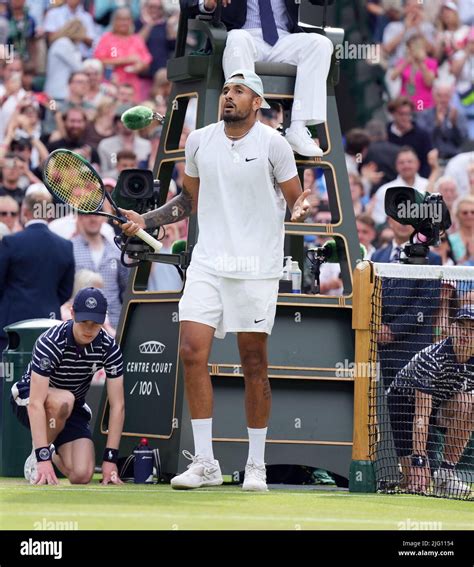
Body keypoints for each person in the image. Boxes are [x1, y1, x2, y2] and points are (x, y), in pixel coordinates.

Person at [119, 69, 311, 491]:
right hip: (208, 264)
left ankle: (255, 463)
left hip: (256, 268)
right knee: (191, 351)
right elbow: (188, 200)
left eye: (238, 91)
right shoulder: (199, 140)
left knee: (253, 363)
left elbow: (298, 199)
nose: (228, 96)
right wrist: (145, 220)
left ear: (256, 102)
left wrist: (300, 209)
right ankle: (204, 462)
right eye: (225, 89)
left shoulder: (275, 144)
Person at [10, 287, 125, 486]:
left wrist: (109, 461)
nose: (89, 329)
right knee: (64, 400)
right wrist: (42, 458)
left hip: (71, 409)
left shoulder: (109, 347)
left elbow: (118, 406)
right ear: (72, 314)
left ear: (103, 319)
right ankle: (38, 455)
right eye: (84, 322)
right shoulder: (51, 341)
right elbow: (35, 403)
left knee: (82, 475)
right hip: (30, 399)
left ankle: (51, 449)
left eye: (95, 323)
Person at [189, 0, 334, 157]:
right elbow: (187, 4)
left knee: (320, 44)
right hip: (242, 35)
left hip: (283, 38)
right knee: (238, 39)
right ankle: (243, 129)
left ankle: (298, 128)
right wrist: (208, 3)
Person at [386, 306, 474, 497]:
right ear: (451, 328)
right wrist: (419, 461)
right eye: (461, 326)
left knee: (469, 401)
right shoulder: (432, 359)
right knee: (415, 485)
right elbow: (421, 414)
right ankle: (403, 473)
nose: (465, 333)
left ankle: (445, 475)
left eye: (472, 329)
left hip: (439, 406)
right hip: (404, 406)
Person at [0, 191, 75, 352]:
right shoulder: (65, 246)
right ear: (49, 213)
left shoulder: (11, 242)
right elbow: (65, 291)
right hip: (49, 321)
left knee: (11, 374)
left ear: (25, 212)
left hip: (13, 322)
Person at [72, 214, 129, 330]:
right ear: (80, 218)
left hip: (114, 322)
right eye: (87, 215)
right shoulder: (70, 247)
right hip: (81, 323)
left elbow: (126, 289)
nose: (93, 219)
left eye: (97, 215)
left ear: (104, 218)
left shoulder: (116, 249)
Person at [93, 7, 152, 102]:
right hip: (112, 85)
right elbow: (99, 60)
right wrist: (126, 60)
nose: (124, 23)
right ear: (114, 21)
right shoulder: (107, 38)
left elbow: (146, 61)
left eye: (127, 19)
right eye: (121, 19)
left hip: (133, 86)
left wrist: (140, 66)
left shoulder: (136, 39)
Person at [368, 146, 429, 226]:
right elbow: (379, 220)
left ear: (418, 164)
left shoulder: (429, 185)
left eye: (410, 162)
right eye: (401, 162)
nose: (406, 165)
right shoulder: (385, 190)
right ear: (396, 165)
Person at [416, 79, 469, 160]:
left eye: (446, 96)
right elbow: (422, 140)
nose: (443, 100)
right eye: (439, 96)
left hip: (453, 158)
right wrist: (437, 125)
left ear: (451, 97)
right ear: (433, 96)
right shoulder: (424, 115)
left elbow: (462, 141)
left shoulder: (458, 115)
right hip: (431, 158)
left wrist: (454, 125)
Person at [386, 97, 434, 178]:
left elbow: (427, 163)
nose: (405, 118)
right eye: (401, 114)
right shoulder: (385, 133)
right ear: (393, 114)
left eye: (408, 114)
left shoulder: (422, 135)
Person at [448, 196, 474, 264]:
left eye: (473, 212)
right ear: (457, 215)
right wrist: (467, 257)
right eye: (465, 213)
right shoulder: (450, 240)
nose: (469, 215)